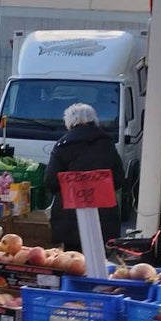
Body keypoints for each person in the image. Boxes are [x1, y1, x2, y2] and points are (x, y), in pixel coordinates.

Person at [44, 102, 124, 252]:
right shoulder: (107, 144)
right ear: (93, 119)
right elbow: (118, 179)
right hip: (104, 215)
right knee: (100, 258)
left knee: (73, 261)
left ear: (69, 122)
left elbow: (51, 181)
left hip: (70, 218)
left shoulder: (63, 145)